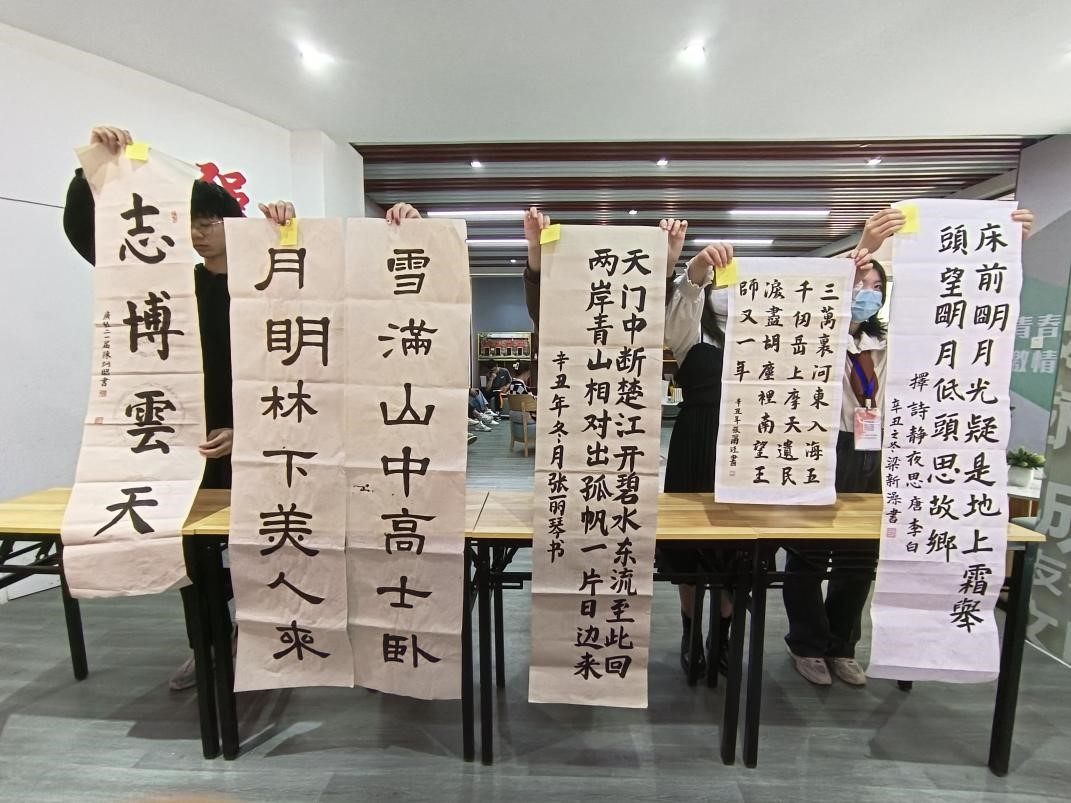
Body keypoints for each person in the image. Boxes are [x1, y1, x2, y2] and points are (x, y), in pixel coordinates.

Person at [64, 124, 422, 689]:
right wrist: (96, 171)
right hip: (188, 447)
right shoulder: (172, 289)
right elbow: (96, 241)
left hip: (274, 442)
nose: (199, 233)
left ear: (236, 224)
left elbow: (338, 334)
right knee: (196, 555)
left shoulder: (276, 284)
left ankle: (281, 636)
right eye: (191, 222)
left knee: (281, 542)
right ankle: (209, 644)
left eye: (211, 221)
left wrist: (403, 232)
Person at [781, 205, 1035, 687]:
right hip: (824, 447)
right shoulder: (814, 336)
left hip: (882, 452)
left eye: (875, 285)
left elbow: (955, 314)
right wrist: (865, 248)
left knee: (862, 555)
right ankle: (807, 643)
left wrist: (1004, 251)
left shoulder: (892, 343)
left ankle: (841, 645)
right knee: (808, 550)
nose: (867, 291)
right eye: (858, 282)